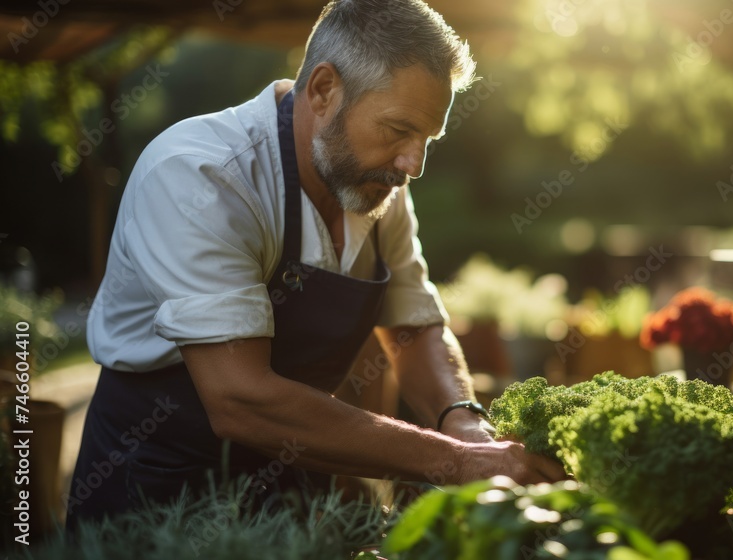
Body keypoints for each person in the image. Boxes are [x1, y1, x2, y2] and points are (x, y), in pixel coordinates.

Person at [66, 0, 564, 527]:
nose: (413, 165)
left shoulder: (378, 188)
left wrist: (465, 426)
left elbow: (414, 328)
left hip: (298, 481)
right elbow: (241, 398)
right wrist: (454, 460)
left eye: (427, 140)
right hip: (154, 491)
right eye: (399, 129)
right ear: (324, 90)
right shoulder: (201, 176)